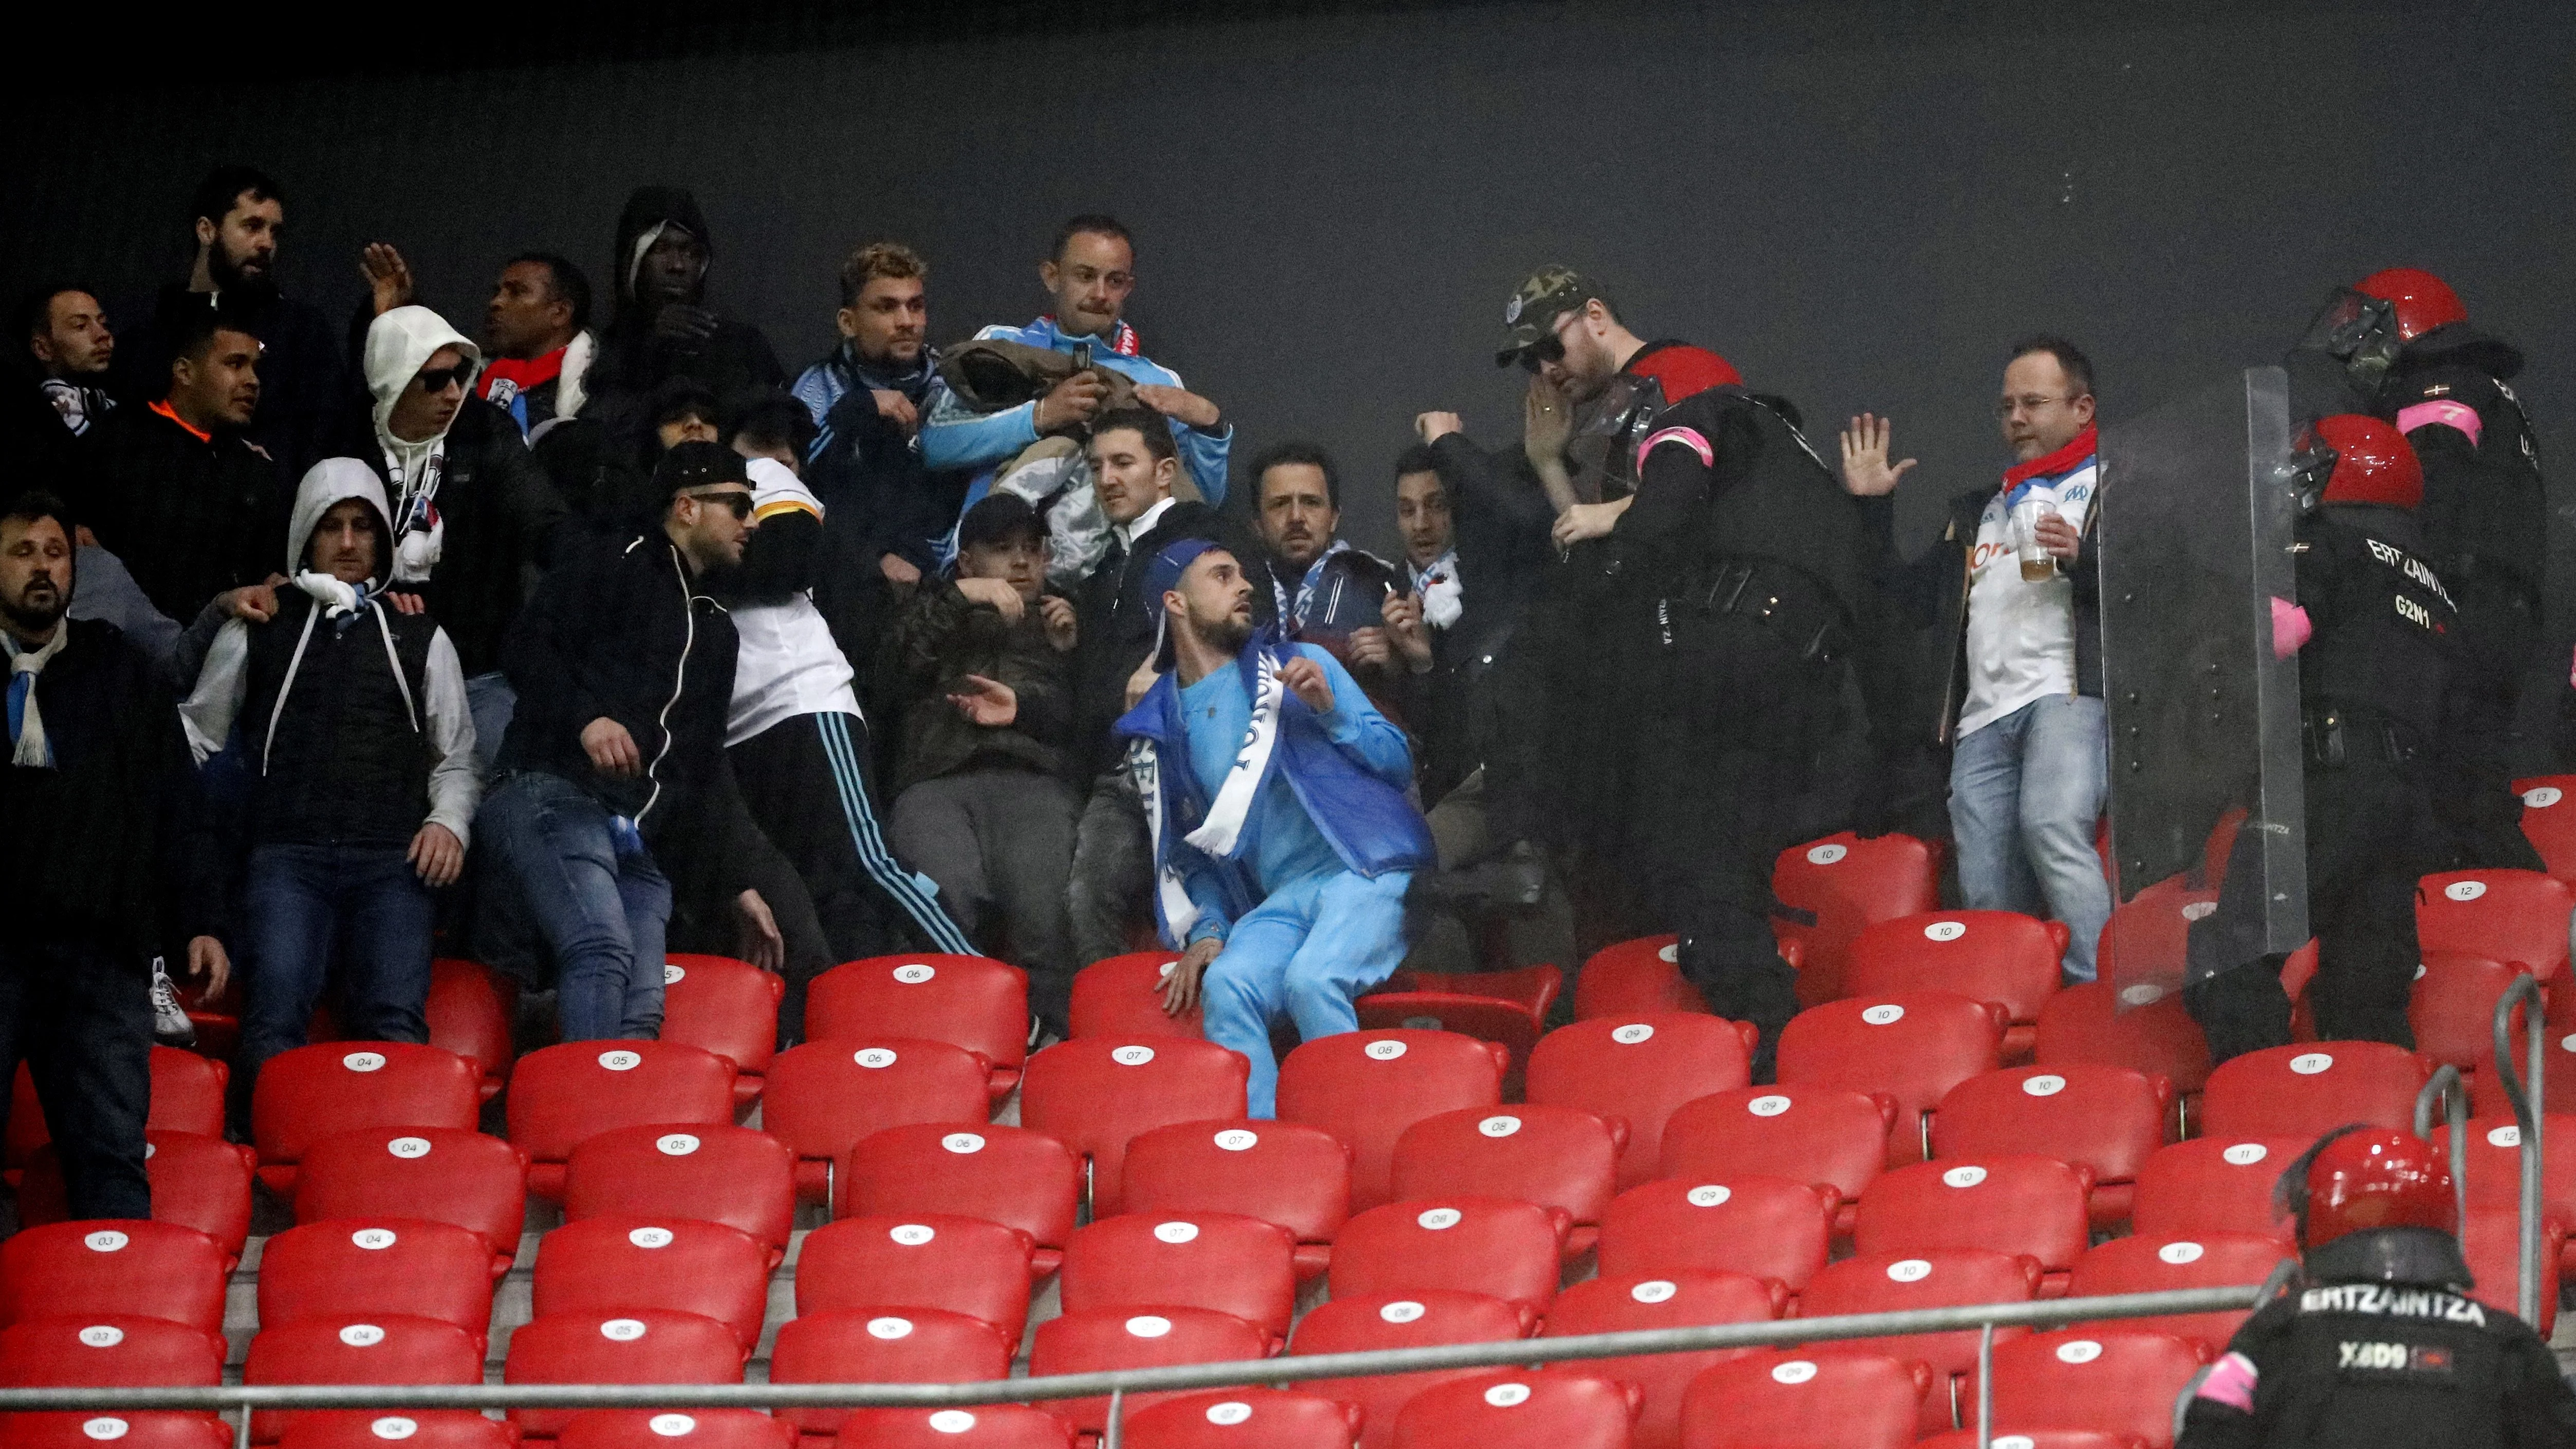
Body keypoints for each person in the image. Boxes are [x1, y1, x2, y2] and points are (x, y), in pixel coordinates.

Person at [1508, 266, 1865, 1076]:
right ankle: (1758, 1045)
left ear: (1594, 316)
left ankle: (1777, 1049)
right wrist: (1549, 464)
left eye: (1549, 345)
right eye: (1528, 362)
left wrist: (1615, 511)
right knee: (1682, 857)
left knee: (1685, 840)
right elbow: (1595, 552)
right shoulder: (1606, 419)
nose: (1545, 371)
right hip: (1702, 655)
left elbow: (1701, 486)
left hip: (1736, 641)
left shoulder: (1684, 378)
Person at [179, 459, 477, 1106]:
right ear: (305, 537)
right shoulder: (257, 624)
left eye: (363, 528)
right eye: (332, 527)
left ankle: (390, 1168)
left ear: (383, 541)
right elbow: (195, 738)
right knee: (275, 1014)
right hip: (286, 856)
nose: (347, 543)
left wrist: (447, 822)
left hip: (392, 861)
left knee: (395, 1020)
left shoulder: (419, 631)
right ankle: (269, 1153)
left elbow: (455, 755)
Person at [475, 442, 779, 1041]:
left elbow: (703, 767)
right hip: (552, 793)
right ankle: (582, 1124)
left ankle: (616, 1125)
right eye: (740, 505)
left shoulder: (716, 627)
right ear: (687, 507)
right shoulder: (615, 558)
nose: (752, 523)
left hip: (636, 835)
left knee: (643, 1003)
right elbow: (526, 645)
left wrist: (735, 880)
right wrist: (589, 719)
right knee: (600, 948)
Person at [1120, 540, 1433, 1117]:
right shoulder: (1161, 725)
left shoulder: (1297, 663)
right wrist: (1209, 929)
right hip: (1285, 898)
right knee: (1228, 986)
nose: (1243, 586)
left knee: (1312, 982)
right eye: (1221, 576)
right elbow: (1191, 853)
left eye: (1242, 574)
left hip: (1366, 869)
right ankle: (1269, 1158)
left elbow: (1398, 764)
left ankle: (1363, 1146)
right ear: (1176, 602)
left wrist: (1331, 710)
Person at [2184, 417, 2456, 1061]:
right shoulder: (2433, 581)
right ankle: (2372, 1126)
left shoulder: (2329, 539)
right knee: (2367, 986)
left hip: (2325, 784)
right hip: (2405, 799)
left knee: (2233, 956)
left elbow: (2282, 632)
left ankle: (2260, 1108)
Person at [1842, 337, 2111, 983]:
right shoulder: (1980, 511)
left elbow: (2167, 590)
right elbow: (1904, 605)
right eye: (2006, 406)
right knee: (1984, 875)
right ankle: (2016, 1012)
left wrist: (2087, 557)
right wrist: (1873, 510)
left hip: (2068, 695)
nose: (2015, 418)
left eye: (2034, 403)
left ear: (2083, 408)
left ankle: (2097, 996)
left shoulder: (2119, 484)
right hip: (1982, 718)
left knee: (2051, 828)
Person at [0, 491, 225, 1219]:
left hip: (98, 957)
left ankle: (113, 1322)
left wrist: (200, 918)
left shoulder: (121, 669)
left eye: (56, 553)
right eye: (23, 552)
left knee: (112, 1168)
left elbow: (179, 808)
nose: (43, 568)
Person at [714, 450, 975, 1032]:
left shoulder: (755, 474)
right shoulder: (665, 517)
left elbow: (792, 551)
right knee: (804, 896)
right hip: (733, 731)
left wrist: (695, 562)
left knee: (868, 862)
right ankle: (848, 1035)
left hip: (803, 699)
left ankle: (980, 979)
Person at [2178, 1125, 2575, 1448]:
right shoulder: (2508, 1346)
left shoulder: (2271, 1338)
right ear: (2444, 1223)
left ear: (2312, 1227)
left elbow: (2206, 1433)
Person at [2353, 269, 2545, 873]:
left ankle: (2543, 934)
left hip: (2464, 608)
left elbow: (2424, 493)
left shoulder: (2436, 391)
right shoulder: (2486, 390)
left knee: (2459, 789)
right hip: (2501, 609)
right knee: (2467, 780)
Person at [922, 216, 1232, 583]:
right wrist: (1041, 416)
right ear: (1052, 277)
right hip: (992, 571)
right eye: (1085, 276)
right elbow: (936, 446)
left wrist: (1210, 429)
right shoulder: (999, 349)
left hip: (1098, 589)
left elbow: (1196, 505)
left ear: (1128, 287)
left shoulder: (1157, 381)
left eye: (1114, 281)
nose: (1100, 294)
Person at [883, 492, 1083, 1035]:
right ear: (967, 561)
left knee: (1045, 917)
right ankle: (945, 1050)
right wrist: (957, 598)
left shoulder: (1071, 618)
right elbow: (891, 673)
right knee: (943, 907)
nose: (1020, 562)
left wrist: (1071, 655)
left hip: (1035, 781)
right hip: (936, 781)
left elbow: (1093, 729)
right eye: (1001, 549)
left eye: (1032, 549)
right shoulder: (928, 605)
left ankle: (1048, 1046)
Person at [338, 303, 568, 771]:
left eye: (461, 374)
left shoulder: (485, 431)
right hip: (365, 665)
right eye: (433, 380)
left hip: (475, 668)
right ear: (392, 381)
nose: (453, 392)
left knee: (506, 774)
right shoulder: (344, 441)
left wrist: (583, 559)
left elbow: (543, 519)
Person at [1062, 410, 1254, 970]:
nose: (1107, 479)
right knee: (1086, 901)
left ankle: (1208, 1049)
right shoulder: (1107, 567)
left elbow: (1250, 626)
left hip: (1199, 761)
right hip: (1122, 768)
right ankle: (1116, 1042)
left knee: (1219, 908)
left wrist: (1172, 680)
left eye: (1124, 463)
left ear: (1166, 471)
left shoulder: (1205, 538)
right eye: (1097, 466)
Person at [1386, 428, 1571, 977]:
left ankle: (1557, 1037)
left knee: (1536, 878)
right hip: (1465, 788)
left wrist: (1450, 441)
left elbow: (1534, 522)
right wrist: (1419, 663)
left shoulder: (1513, 572)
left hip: (1541, 781)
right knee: (1402, 875)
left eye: (1437, 506)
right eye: (1407, 510)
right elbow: (1434, 739)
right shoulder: (1390, 594)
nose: (1422, 525)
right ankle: (1449, 1023)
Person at [114, 166, 344, 487]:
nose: (266, 243)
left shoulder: (303, 333)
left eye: (274, 232)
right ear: (207, 231)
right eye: (252, 226)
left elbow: (327, 432)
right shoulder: (146, 340)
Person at [76, 304, 283, 623]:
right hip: (128, 649)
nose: (253, 381)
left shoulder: (254, 467)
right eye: (235, 364)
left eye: (255, 368)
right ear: (185, 372)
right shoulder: (118, 443)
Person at [584, 187, 785, 456]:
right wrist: (650, 350)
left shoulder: (742, 343)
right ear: (634, 261)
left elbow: (776, 434)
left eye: (690, 253)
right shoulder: (601, 350)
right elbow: (601, 438)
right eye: (662, 249)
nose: (678, 266)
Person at [1248, 441, 1422, 703]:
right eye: (1280, 504)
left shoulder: (1383, 583)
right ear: (1258, 524)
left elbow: (1433, 699)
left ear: (1334, 518)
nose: (1296, 517)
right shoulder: (1236, 593)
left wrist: (1397, 666)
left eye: (1311, 502)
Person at [479, 253, 597, 441]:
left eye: (517, 292)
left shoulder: (600, 388)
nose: (496, 302)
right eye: (497, 292)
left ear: (560, 312)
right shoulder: (470, 380)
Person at [23, 286, 117, 439]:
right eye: (81, 326)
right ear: (43, 349)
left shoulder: (121, 388)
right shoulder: (49, 405)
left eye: (104, 324)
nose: (103, 334)